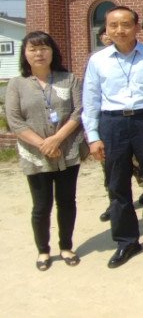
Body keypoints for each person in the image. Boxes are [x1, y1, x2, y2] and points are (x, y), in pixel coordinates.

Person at [82, 6, 143, 268]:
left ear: (136, 27)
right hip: (112, 122)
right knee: (117, 185)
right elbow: (90, 99)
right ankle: (126, 241)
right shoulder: (98, 60)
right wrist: (93, 135)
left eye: (125, 24)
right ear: (106, 28)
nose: (119, 30)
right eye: (113, 25)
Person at [5, 31, 85, 271]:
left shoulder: (68, 78)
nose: (39, 53)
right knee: (41, 205)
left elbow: (78, 111)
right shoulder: (16, 83)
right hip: (35, 154)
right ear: (25, 54)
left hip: (67, 151)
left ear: (52, 52)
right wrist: (43, 144)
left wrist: (57, 139)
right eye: (33, 49)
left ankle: (66, 246)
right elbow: (15, 121)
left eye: (44, 48)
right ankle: (43, 250)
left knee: (67, 201)